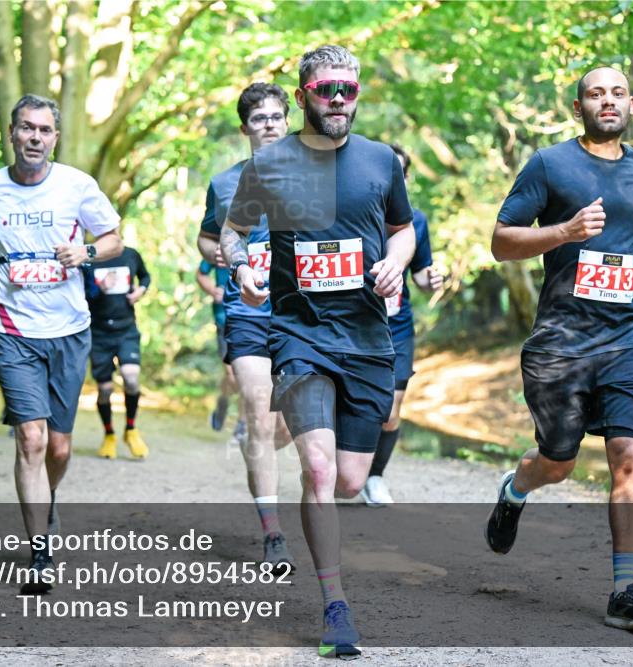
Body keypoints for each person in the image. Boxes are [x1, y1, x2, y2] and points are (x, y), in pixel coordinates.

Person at [485, 66, 633, 631]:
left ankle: (624, 592)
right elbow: (502, 241)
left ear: (631, 104)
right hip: (562, 341)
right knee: (558, 463)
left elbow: (632, 239)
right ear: (578, 105)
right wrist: (562, 232)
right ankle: (515, 490)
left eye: (618, 92)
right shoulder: (550, 164)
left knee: (630, 460)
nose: (608, 101)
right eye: (595, 93)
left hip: (628, 336)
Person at [222, 47, 416, 657]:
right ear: (303, 94)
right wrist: (242, 265)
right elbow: (232, 231)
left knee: (352, 481)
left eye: (349, 89)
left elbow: (404, 229)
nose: (339, 98)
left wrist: (395, 260)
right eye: (327, 88)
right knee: (319, 470)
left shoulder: (382, 161)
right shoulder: (270, 163)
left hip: (365, 339)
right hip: (299, 336)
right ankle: (335, 606)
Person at [0, 94, 123, 593]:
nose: (34, 137)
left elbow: (114, 238)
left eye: (44, 130)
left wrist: (86, 251)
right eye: (26, 128)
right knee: (31, 437)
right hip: (11, 330)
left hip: (69, 329)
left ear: (54, 138)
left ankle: (46, 503)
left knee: (60, 446)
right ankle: (39, 554)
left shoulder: (78, 186)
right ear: (11, 133)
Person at [200, 82, 295, 575]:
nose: (270, 125)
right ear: (245, 128)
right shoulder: (222, 184)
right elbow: (206, 236)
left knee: (284, 425)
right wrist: (218, 254)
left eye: (277, 116)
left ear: (289, 119)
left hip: (304, 317)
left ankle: (259, 447)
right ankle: (273, 532)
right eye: (259, 118)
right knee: (259, 411)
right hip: (248, 310)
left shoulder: (317, 176)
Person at [360, 145, 443, 507]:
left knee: (391, 410)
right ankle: (343, 465)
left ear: (406, 179)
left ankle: (375, 476)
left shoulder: (417, 221)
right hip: (353, 323)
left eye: (399, 172)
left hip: (396, 325)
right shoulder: (353, 213)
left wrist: (432, 280)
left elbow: (422, 276)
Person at [83, 246, 151, 459]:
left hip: (126, 329)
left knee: (131, 379)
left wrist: (141, 290)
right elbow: (81, 295)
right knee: (104, 390)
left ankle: (131, 429)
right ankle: (109, 434)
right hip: (98, 332)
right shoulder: (87, 258)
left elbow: (146, 277)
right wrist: (99, 288)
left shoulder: (130, 254)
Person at [195, 258, 246, 443]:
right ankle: (222, 402)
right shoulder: (220, 246)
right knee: (232, 377)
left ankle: (241, 425)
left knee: (245, 377)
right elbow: (201, 273)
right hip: (224, 318)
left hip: (252, 319)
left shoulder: (259, 240)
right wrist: (211, 289)